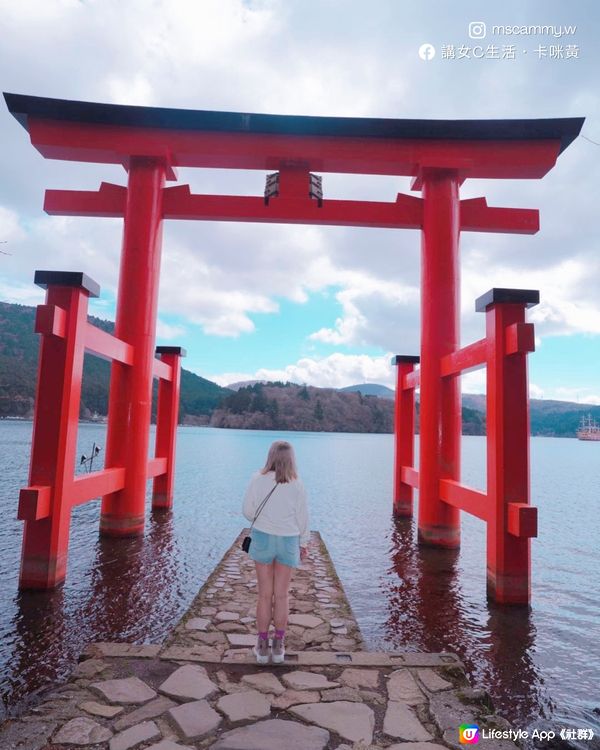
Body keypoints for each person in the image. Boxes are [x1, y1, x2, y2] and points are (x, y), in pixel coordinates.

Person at [242, 440, 309, 664]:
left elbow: (248, 512)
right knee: (281, 595)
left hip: (263, 537)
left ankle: (262, 647)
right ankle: (278, 646)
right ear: (292, 459)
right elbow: (303, 518)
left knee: (264, 594)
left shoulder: (256, 479)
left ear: (270, 456)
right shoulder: (297, 483)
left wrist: (264, 517)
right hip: (289, 539)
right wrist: (304, 542)